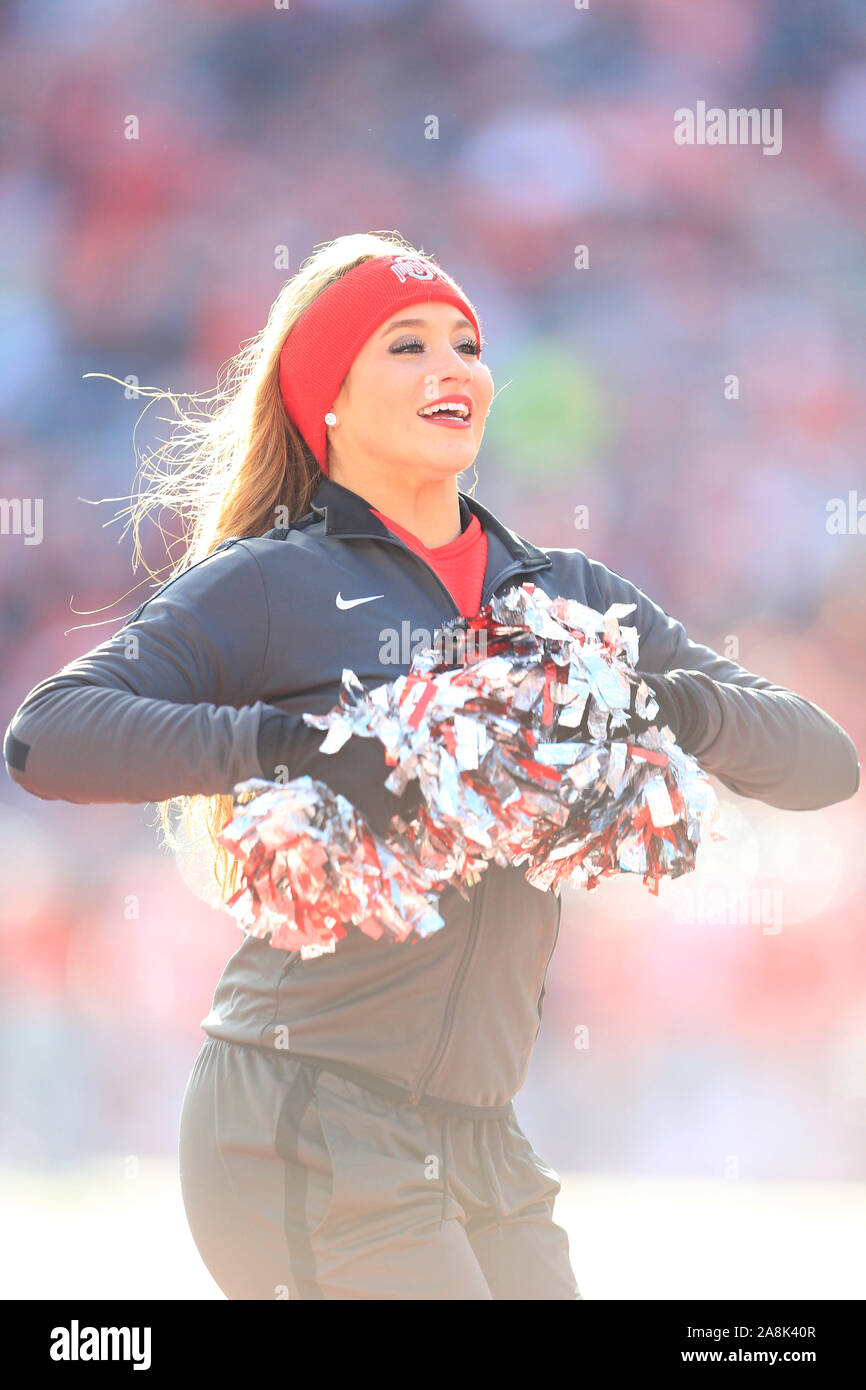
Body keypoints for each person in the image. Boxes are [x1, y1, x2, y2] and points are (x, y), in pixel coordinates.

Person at [3, 231, 859, 1301]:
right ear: (329, 398)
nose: (450, 366)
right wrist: (303, 749)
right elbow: (48, 734)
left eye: (465, 343)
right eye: (404, 346)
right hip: (304, 1118)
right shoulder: (272, 585)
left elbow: (821, 764)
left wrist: (653, 703)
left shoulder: (571, 599)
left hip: (482, 1140)